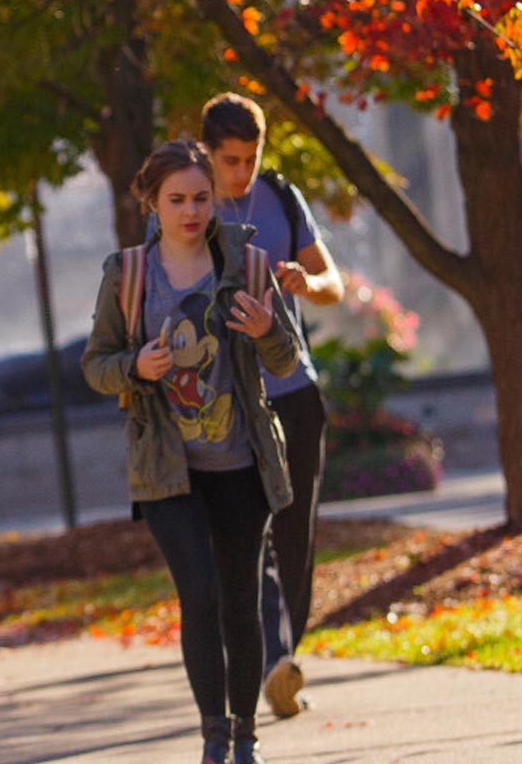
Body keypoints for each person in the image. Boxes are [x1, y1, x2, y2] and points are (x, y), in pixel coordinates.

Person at [84, 140, 301, 764]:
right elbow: (95, 367)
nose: (191, 211)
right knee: (199, 594)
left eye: (202, 198)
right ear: (151, 202)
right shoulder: (127, 276)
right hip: (166, 472)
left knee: (239, 599)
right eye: (176, 200)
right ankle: (213, 737)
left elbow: (284, 360)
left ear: (216, 199)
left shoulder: (249, 265)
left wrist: (269, 330)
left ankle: (244, 739)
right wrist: (138, 366)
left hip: (242, 464)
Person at [193, 93, 346, 719]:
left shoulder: (282, 197)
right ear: (206, 152)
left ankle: (285, 657)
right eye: (229, 160)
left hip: (294, 391)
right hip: (225, 401)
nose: (241, 173)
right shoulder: (185, 205)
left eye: (251, 158)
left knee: (296, 533)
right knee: (242, 532)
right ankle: (274, 656)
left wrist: (305, 283)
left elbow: (333, 282)